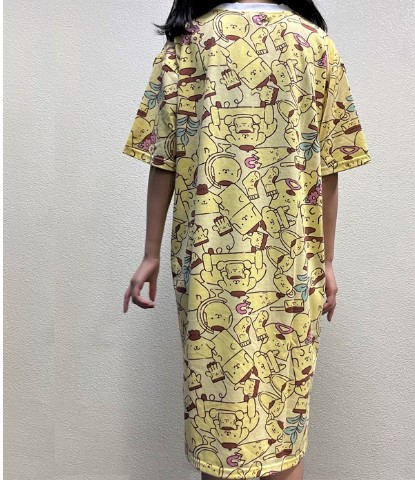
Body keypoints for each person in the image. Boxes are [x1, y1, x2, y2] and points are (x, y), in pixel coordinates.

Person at [121, 0, 371, 478]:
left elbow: (163, 159)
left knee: (217, 422)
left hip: (206, 268)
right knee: (285, 420)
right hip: (292, 266)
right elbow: (329, 170)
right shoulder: (316, 44)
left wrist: (150, 252)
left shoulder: (185, 46)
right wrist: (326, 262)